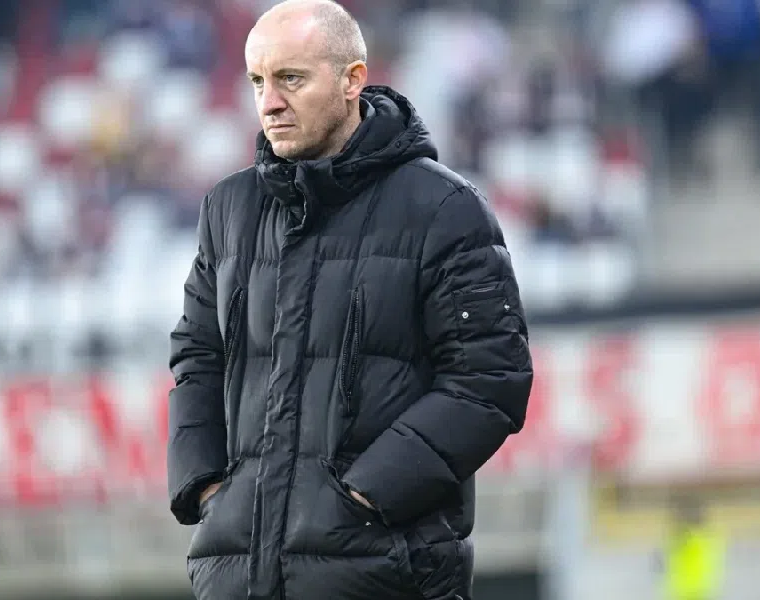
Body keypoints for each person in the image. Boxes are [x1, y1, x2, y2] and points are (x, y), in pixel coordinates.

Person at [165, 1, 533, 598]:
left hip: (385, 574)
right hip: (238, 575)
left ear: (352, 80)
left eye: (291, 78)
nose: (269, 102)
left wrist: (363, 497)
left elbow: (490, 379)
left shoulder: (443, 209)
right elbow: (196, 356)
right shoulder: (228, 209)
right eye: (258, 80)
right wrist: (206, 485)